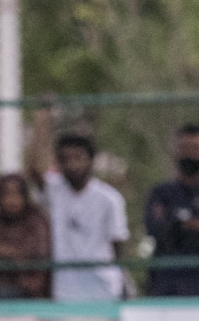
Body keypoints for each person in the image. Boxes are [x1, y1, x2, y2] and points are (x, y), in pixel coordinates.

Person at [28, 116, 129, 302]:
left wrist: (123, 283)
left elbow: (118, 245)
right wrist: (43, 116)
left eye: (78, 158)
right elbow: (33, 168)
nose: (72, 165)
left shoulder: (110, 199)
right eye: (65, 159)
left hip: (103, 290)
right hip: (65, 292)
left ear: (91, 160)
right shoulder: (55, 191)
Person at [144, 123, 199, 297]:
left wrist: (179, 223)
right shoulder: (161, 192)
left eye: (196, 148)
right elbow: (156, 229)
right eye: (184, 148)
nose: (189, 154)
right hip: (164, 286)